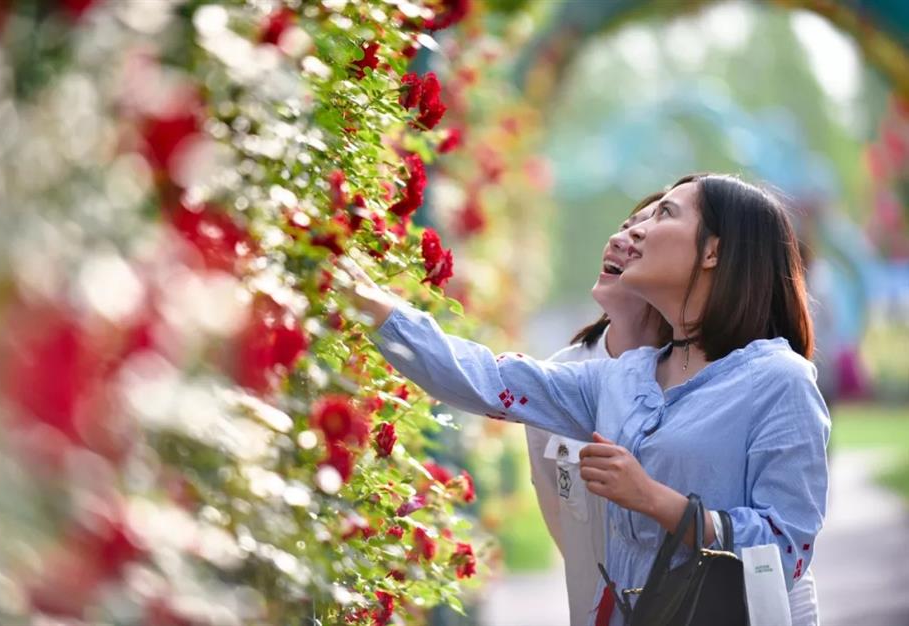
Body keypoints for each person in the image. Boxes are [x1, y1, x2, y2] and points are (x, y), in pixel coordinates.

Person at [344, 174, 830, 626]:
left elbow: (786, 549)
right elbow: (489, 380)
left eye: (664, 215)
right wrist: (376, 308)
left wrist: (655, 500)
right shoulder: (618, 379)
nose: (636, 232)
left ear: (713, 253)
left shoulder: (778, 381)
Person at [525, 191, 670, 626]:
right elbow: (564, 520)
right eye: (627, 225)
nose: (621, 238)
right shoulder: (559, 378)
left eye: (643, 235)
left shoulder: (702, 376)